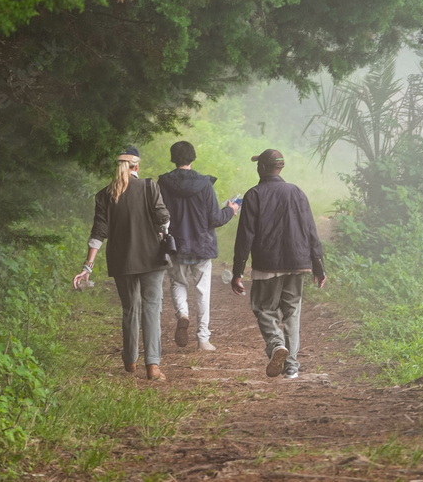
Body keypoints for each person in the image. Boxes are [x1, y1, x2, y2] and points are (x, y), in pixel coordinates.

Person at [74, 145, 172, 381]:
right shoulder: (149, 187)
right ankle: (153, 366)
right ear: (136, 165)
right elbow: (164, 219)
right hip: (151, 258)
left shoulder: (104, 195)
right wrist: (161, 233)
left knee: (130, 309)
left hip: (121, 260)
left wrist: (87, 267)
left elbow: (98, 233)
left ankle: (130, 360)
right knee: (151, 308)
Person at [231, 148, 326, 379]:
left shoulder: (254, 195)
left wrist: (238, 271)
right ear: (280, 168)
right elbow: (310, 230)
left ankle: (276, 345)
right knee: (292, 311)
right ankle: (291, 365)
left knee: (265, 309)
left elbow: (246, 236)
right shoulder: (297, 192)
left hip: (267, 264)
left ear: (262, 168)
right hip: (297, 262)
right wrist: (318, 265)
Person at [158, 141, 239, 351]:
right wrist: (230, 210)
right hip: (201, 246)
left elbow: (158, 215)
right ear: (192, 158)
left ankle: (182, 314)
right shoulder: (205, 185)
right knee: (202, 291)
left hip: (175, 245)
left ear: (173, 158)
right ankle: (203, 339)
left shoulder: (163, 184)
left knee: (178, 283)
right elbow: (214, 218)